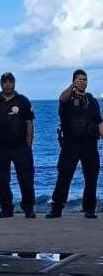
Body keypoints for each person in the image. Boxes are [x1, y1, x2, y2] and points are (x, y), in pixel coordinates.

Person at [47, 69, 103, 219]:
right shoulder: (67, 98)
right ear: (73, 81)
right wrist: (72, 86)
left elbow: (99, 122)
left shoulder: (91, 100)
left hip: (89, 144)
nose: (82, 82)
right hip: (70, 144)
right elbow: (61, 98)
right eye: (79, 79)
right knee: (64, 176)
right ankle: (56, 208)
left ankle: (89, 209)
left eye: (85, 79)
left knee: (91, 177)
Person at [0, 72, 36, 218]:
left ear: (14, 83)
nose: (8, 84)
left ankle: (28, 207)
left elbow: (29, 123)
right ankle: (6, 208)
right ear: (1, 84)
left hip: (20, 146)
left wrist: (29, 143)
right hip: (1, 146)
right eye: (5, 82)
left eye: (10, 81)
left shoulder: (23, 101)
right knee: (2, 180)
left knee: (26, 178)